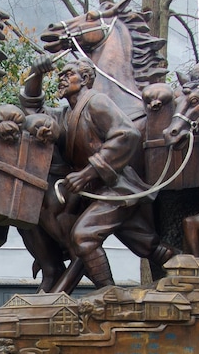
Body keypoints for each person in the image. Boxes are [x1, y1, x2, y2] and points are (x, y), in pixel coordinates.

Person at [19, 56, 145, 292]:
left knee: (84, 236)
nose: (62, 80)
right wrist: (36, 74)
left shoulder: (97, 102)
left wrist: (88, 173)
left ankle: (112, 298)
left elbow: (127, 135)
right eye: (60, 76)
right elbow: (33, 108)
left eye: (68, 74)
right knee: (148, 245)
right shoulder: (65, 114)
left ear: (85, 78)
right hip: (90, 193)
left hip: (117, 187)